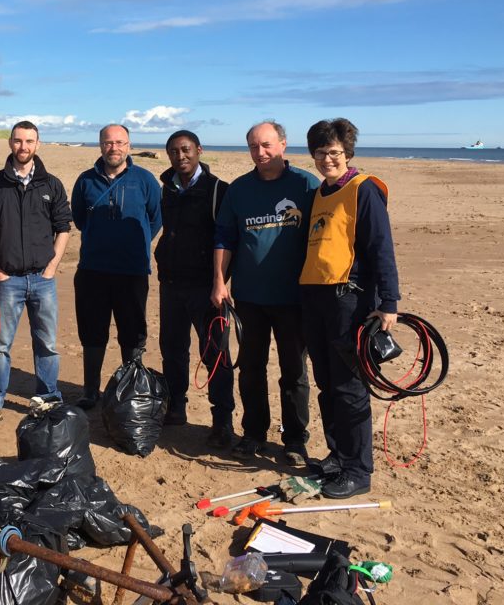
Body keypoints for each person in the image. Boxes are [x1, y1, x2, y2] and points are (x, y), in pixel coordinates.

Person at [299, 118, 399, 499]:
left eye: (335, 153)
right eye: (321, 153)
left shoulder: (364, 189)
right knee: (326, 384)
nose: (328, 159)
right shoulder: (320, 193)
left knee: (350, 387)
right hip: (315, 297)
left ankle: (358, 469)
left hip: (349, 299)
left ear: (348, 153)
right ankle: (338, 455)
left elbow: (380, 248)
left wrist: (388, 302)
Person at [212, 120, 319, 465]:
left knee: (294, 371)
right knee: (251, 368)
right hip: (250, 297)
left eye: (267, 145)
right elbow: (225, 238)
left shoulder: (306, 184)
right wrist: (219, 281)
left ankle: (294, 440)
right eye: (254, 146)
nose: (261, 152)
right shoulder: (240, 189)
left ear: (283, 145)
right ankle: (254, 433)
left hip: (294, 298)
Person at [0, 121, 72, 431]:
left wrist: (52, 267)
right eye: (18, 141)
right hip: (7, 279)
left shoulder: (51, 184)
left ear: (38, 144)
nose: (23, 147)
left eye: (29, 141)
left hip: (43, 280)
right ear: (10, 143)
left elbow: (64, 227)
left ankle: (47, 400)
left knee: (47, 344)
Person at [71, 123, 162, 409]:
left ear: (129, 146)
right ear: (100, 145)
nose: (115, 148)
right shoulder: (85, 181)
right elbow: (79, 219)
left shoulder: (145, 179)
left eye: (120, 142)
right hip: (93, 270)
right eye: (109, 143)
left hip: (132, 271)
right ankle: (89, 390)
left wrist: (133, 244)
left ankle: (130, 388)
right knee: (92, 331)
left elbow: (155, 219)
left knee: (132, 331)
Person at [154, 130, 234, 442]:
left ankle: (222, 420)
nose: (180, 156)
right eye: (174, 151)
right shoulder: (168, 189)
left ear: (199, 150)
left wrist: (220, 282)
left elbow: (227, 239)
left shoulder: (218, 190)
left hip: (207, 288)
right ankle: (176, 406)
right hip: (171, 284)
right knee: (172, 350)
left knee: (215, 353)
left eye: (186, 150)